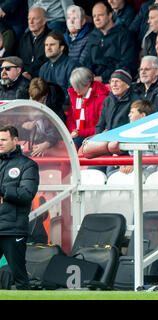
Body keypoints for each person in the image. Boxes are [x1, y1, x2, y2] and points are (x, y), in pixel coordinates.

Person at [0, 125, 39, 290]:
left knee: (20, 277)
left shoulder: (28, 165)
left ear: (15, 140)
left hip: (13, 229)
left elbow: (26, 195)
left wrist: (2, 190)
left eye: (3, 139)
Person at [84, 0, 136, 84]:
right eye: (94, 16)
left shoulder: (124, 35)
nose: (96, 19)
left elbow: (127, 63)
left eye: (100, 15)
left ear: (110, 15)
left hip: (115, 81)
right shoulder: (92, 36)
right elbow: (87, 61)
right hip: (94, 81)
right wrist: (90, 75)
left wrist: (102, 78)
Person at [66, 67, 109, 148]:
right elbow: (70, 119)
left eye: (78, 86)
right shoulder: (74, 96)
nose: (75, 90)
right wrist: (73, 131)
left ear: (87, 84)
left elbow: (100, 126)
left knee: (73, 146)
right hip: (76, 136)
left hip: (94, 138)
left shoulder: (101, 97)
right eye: (74, 86)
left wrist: (80, 133)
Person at [24, 78, 65, 157]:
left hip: (50, 141)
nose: (37, 104)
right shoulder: (22, 97)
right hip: (27, 142)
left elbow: (59, 128)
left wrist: (47, 143)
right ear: (29, 94)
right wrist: (24, 126)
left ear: (45, 95)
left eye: (40, 100)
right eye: (33, 100)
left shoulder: (55, 102)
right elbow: (15, 124)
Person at [39, 30, 81, 104]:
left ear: (61, 48)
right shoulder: (43, 68)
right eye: (46, 45)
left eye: (52, 45)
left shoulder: (72, 66)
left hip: (66, 109)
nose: (48, 48)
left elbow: (73, 94)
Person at [95, 68, 141, 134]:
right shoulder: (108, 100)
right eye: (112, 81)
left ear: (127, 85)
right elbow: (100, 125)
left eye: (117, 81)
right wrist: (98, 137)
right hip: (106, 137)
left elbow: (133, 127)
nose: (114, 85)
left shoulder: (135, 101)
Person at [17, 6, 51, 80]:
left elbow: (49, 63)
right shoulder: (23, 38)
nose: (31, 22)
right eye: (29, 19)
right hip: (22, 78)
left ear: (44, 21)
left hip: (42, 80)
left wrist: (31, 75)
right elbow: (19, 60)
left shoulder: (51, 38)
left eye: (35, 19)